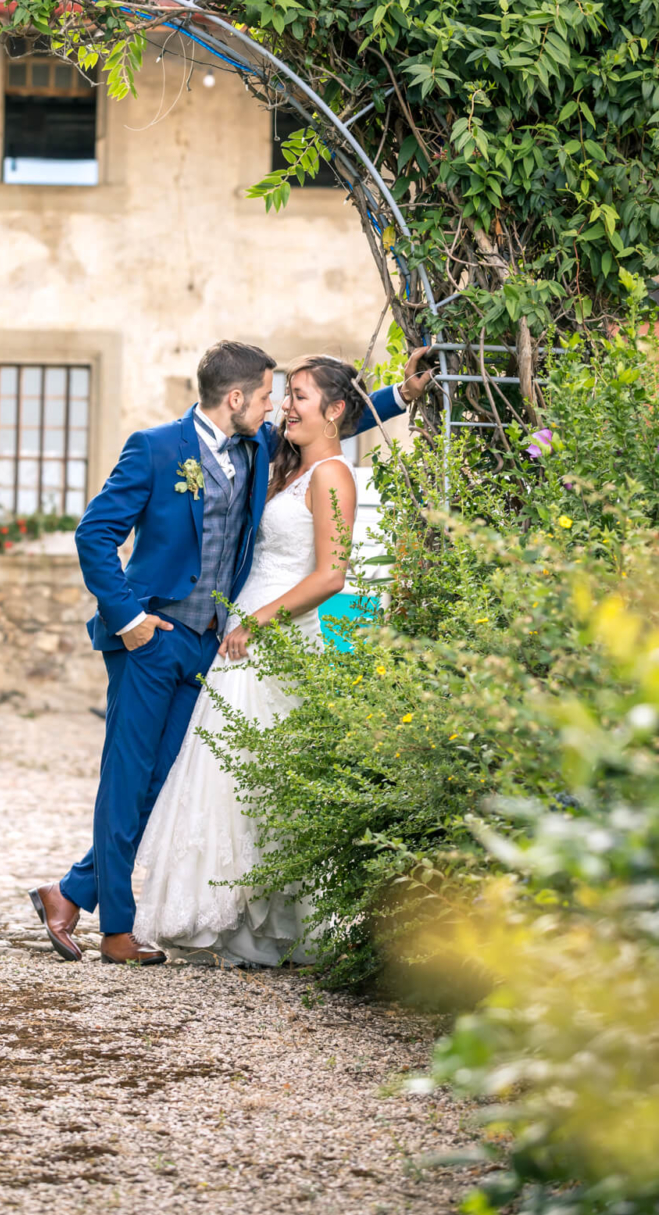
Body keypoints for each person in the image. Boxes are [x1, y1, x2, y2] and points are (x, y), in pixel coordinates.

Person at [29, 340, 433, 965]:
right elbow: (95, 533)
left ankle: (69, 893)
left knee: (169, 785)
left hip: (212, 644)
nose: (277, 410)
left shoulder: (258, 450)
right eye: (271, 396)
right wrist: (130, 620)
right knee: (130, 778)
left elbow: (330, 424)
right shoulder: (162, 447)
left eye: (286, 398)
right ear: (238, 398)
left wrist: (399, 398)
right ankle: (116, 929)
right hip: (152, 636)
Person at [135, 355, 364, 963]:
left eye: (302, 398)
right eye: (285, 396)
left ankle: (252, 918)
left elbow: (331, 576)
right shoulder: (287, 469)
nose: (287, 407)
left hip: (276, 640)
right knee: (225, 771)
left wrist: (258, 623)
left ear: (336, 411)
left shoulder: (334, 476)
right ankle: (221, 913)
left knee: (254, 774)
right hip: (242, 634)